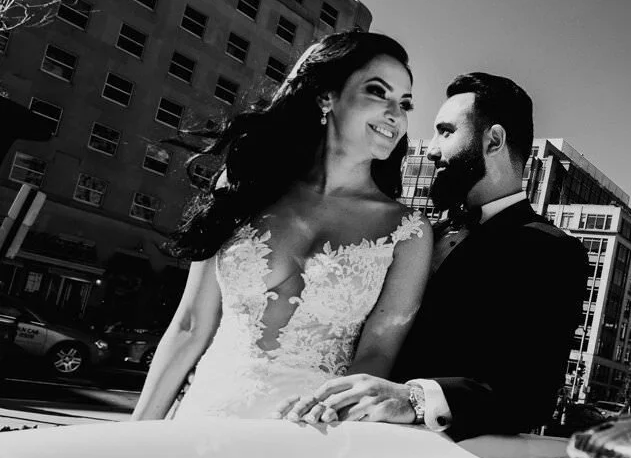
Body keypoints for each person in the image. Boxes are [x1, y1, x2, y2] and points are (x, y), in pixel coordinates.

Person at [131, 32, 432, 420]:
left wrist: (330, 410)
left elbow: (379, 351)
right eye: (378, 92)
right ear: (327, 96)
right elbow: (190, 325)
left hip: (311, 432)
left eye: (405, 104)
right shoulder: (244, 187)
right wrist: (137, 429)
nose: (396, 114)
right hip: (204, 417)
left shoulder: (408, 231)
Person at [275, 73, 588, 441]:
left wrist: (413, 399)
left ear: (494, 140)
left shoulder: (550, 251)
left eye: (446, 131)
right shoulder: (416, 234)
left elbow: (528, 397)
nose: (432, 149)